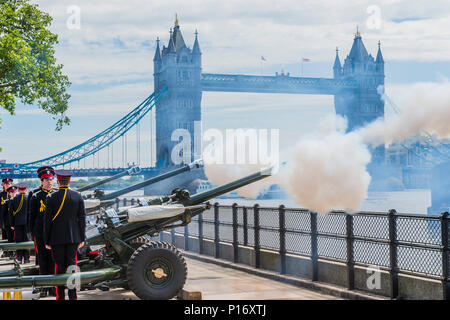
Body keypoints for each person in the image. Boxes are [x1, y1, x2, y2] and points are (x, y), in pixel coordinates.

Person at [44, 170, 86, 300]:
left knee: (59, 266)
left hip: (56, 238)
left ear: (58, 181)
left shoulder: (51, 197)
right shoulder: (77, 196)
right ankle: (73, 296)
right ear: (69, 181)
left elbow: (47, 222)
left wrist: (46, 240)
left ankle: (60, 296)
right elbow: (82, 219)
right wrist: (82, 238)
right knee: (72, 266)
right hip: (74, 237)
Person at [29, 166, 56, 297]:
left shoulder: (57, 194)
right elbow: (31, 215)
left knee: (53, 259)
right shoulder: (35, 195)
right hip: (40, 233)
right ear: (41, 181)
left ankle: (53, 287)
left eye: (51, 179)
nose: (49, 182)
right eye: (46, 179)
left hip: (54, 233)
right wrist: (31, 233)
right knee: (42, 259)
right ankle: (44, 286)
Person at [9, 183, 30, 264]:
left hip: (17, 223)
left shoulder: (13, 199)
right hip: (27, 224)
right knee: (26, 240)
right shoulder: (29, 198)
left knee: (18, 241)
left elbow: (11, 214)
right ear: (26, 189)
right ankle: (27, 258)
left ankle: (19, 258)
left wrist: (11, 224)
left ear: (18, 189)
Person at [4, 185, 18, 258]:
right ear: (9, 193)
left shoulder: (18, 200)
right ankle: (11, 253)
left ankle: (17, 254)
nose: (13, 193)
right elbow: (4, 214)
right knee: (10, 239)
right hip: (9, 224)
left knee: (17, 239)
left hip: (17, 223)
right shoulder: (6, 202)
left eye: (14, 192)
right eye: (11, 192)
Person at [0, 178, 13, 247]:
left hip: (12, 218)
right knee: (4, 234)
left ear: (11, 184)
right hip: (3, 218)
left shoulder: (14, 194)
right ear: (3, 185)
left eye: (9, 184)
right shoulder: (1, 194)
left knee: (13, 235)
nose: (7, 185)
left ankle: (13, 251)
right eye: (6, 184)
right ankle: (6, 251)